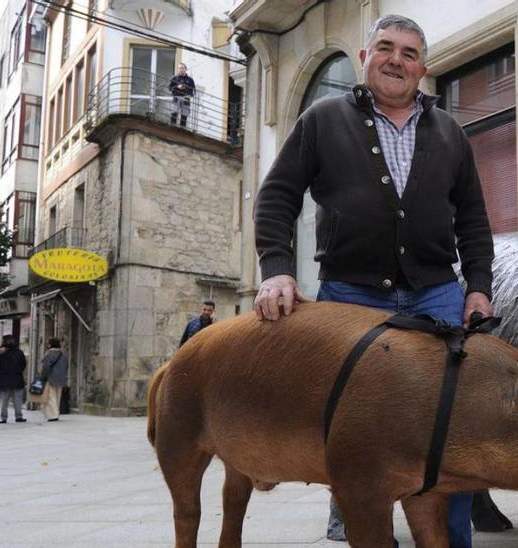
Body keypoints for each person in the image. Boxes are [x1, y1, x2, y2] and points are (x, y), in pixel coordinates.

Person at [252, 14, 494, 547]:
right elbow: (276, 198)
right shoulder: (323, 119)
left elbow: (473, 219)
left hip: (436, 293)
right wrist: (277, 272)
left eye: (409, 53)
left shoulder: (450, 131)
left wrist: (477, 287)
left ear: (423, 69)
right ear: (364, 58)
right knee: (356, 426)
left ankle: (452, 540)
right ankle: (357, 517)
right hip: (352, 295)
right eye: (385, 47)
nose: (396, 60)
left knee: (447, 428)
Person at [0, 335, 27, 424]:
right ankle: (19, 417)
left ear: (3, 342)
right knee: (18, 400)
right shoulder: (19, 352)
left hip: (4, 380)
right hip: (17, 379)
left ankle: (4, 418)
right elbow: (23, 364)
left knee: (4, 401)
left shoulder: (0, 352)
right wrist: (18, 371)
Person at [39, 338, 68, 422]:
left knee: (51, 397)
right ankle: (56, 413)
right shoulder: (63, 354)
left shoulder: (48, 354)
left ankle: (53, 415)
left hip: (51, 377)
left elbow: (46, 367)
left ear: (50, 344)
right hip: (61, 378)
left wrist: (43, 376)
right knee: (58, 397)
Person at [169, 63, 195, 127]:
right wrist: (177, 87)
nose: (181, 69)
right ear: (178, 69)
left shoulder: (190, 79)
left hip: (186, 98)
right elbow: (170, 88)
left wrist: (188, 92)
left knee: (184, 116)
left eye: (183, 68)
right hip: (176, 98)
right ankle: (172, 129)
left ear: (186, 69)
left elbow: (193, 90)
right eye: (180, 68)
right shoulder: (174, 78)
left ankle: (182, 131)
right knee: (174, 114)